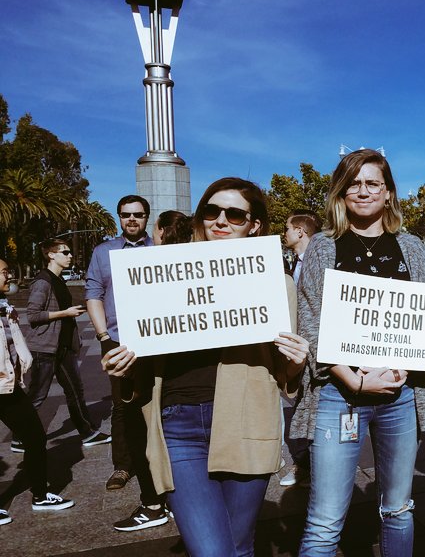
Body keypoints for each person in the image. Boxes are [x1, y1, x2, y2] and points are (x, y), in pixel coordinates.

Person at [101, 177, 310, 557]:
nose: (221, 220)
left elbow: (285, 377)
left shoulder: (277, 285)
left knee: (240, 546)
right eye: (211, 211)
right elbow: (143, 364)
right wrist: (125, 367)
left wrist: (296, 362)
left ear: (255, 224)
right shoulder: (161, 278)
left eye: (234, 214)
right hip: (177, 425)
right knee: (213, 552)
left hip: (247, 421)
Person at [290, 149, 425, 557]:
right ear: (341, 192)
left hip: (399, 394)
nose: (364, 190)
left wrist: (403, 366)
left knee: (399, 510)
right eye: (354, 183)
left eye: (373, 183)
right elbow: (310, 320)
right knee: (324, 519)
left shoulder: (410, 246)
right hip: (339, 394)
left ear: (388, 193)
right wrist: (352, 378)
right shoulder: (322, 246)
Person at [84, 194, 171, 531]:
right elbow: (93, 293)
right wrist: (105, 338)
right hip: (120, 342)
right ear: (119, 218)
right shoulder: (104, 253)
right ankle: (124, 465)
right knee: (124, 408)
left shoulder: (159, 249)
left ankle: (165, 475)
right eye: (125, 215)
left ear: (147, 217)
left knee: (162, 406)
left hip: (158, 340)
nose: (131, 220)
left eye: (137, 215)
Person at [1, 257, 75, 525]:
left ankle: (41, 495)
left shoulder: (3, 307)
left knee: (34, 436)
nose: (8, 277)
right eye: (4, 273)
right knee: (34, 435)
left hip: (8, 385)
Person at [18, 238, 109, 452]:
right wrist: (66, 313)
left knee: (75, 391)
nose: (70, 256)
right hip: (45, 347)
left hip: (63, 347)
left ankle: (87, 433)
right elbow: (33, 315)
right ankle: (19, 435)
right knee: (38, 395)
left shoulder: (59, 281)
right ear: (51, 255)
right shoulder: (43, 281)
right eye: (65, 252)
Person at [280, 208, 321, 488]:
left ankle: (308, 466)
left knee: (313, 407)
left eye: (286, 228)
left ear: (299, 232)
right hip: (296, 346)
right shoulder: (294, 264)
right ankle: (305, 463)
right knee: (299, 404)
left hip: (315, 347)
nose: (283, 233)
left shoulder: (320, 264)